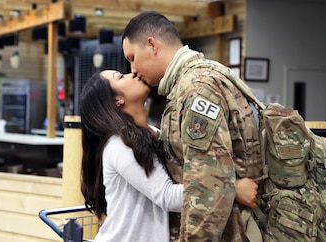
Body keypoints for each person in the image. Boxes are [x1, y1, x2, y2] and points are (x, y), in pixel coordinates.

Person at [122, 11, 263, 241]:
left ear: (151, 45)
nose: (133, 70)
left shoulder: (196, 88)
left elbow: (207, 189)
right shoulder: (195, 81)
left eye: (132, 57)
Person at [79, 70, 183, 241]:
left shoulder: (151, 133)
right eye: (120, 77)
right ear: (117, 100)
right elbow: (168, 196)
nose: (132, 73)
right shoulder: (121, 144)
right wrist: (227, 188)